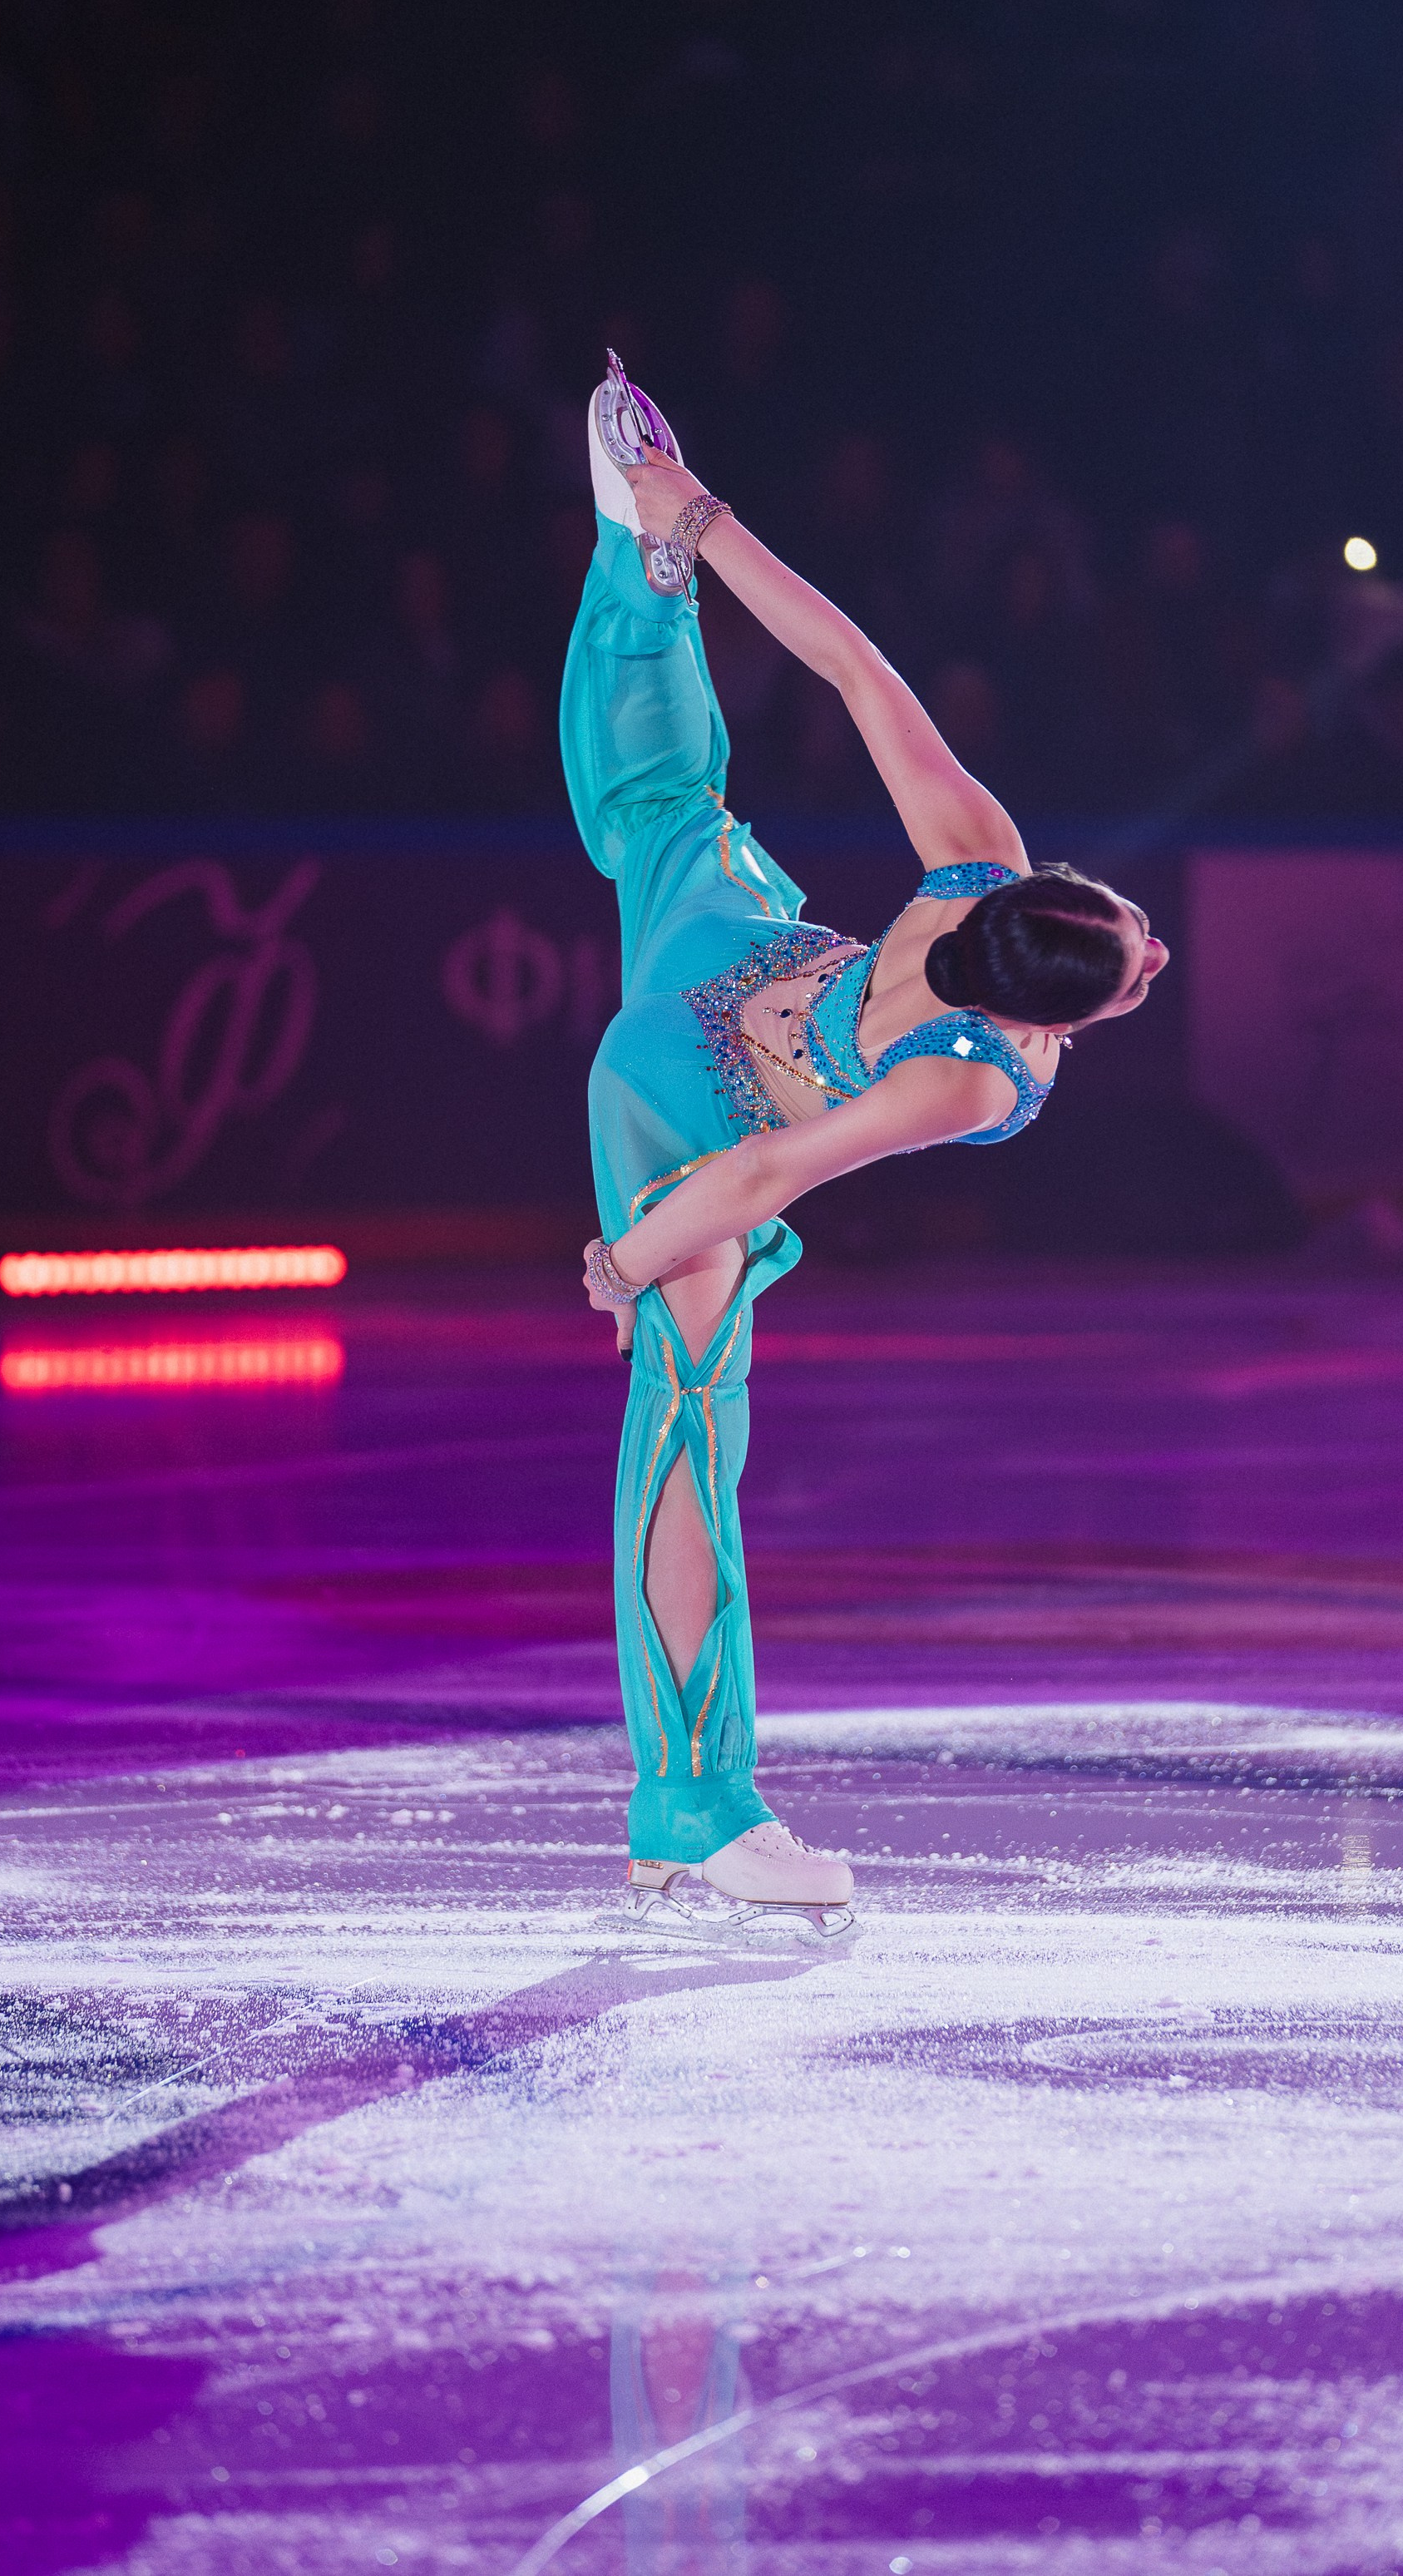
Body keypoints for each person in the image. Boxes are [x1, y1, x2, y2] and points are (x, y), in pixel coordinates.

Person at [562, 363, 1169, 1930]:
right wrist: (628, 1262)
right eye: (1133, 954)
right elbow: (765, 1176)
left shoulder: (976, 863)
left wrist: (708, 515)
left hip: (722, 960)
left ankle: (644, 573)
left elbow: (846, 664)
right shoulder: (972, 1078)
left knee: (669, 808)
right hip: (689, 1120)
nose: (1153, 949)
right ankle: (694, 1813)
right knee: (690, 1427)